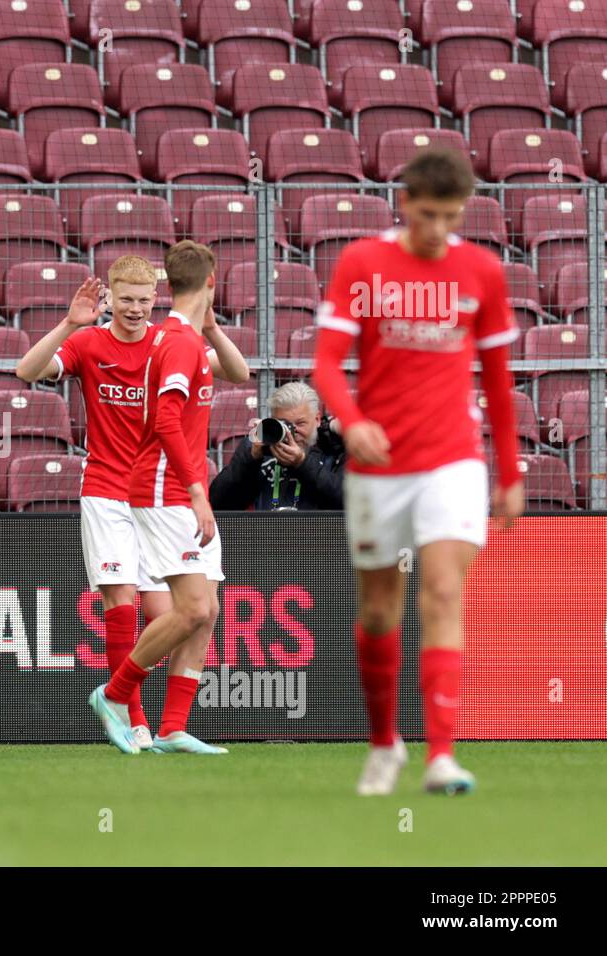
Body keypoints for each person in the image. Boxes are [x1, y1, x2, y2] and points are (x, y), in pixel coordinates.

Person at [312, 147, 524, 796]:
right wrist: (351, 420)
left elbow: (497, 376)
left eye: (451, 216)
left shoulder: (481, 270)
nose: (438, 230)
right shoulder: (361, 262)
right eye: (428, 215)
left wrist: (509, 470)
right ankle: (384, 744)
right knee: (379, 610)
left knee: (441, 591)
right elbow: (326, 365)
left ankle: (441, 756)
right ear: (405, 204)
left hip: (453, 459)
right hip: (378, 466)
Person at [17, 255, 248, 752]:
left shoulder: (166, 344)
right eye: (126, 299)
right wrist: (68, 323)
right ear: (111, 299)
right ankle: (134, 720)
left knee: (180, 611)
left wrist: (211, 327)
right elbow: (26, 370)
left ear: (156, 299)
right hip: (107, 488)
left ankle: (168, 723)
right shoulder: (89, 342)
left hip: (158, 493)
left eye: (145, 300)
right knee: (122, 604)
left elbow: (237, 371)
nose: (136, 310)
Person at [87, 241, 229, 754]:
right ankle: (116, 693)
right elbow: (166, 419)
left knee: (206, 609)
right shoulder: (178, 343)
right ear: (212, 283)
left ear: (168, 288)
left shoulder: (185, 337)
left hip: (179, 488)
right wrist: (197, 493)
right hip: (167, 490)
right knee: (190, 609)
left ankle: (172, 727)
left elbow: (238, 373)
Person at [210, 381, 346, 511]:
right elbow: (217, 502)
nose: (292, 432)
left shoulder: (334, 451)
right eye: (284, 424)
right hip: (266, 533)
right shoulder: (259, 451)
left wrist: (302, 464)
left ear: (317, 419)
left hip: (321, 533)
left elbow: (347, 501)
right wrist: (250, 459)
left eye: (300, 423)